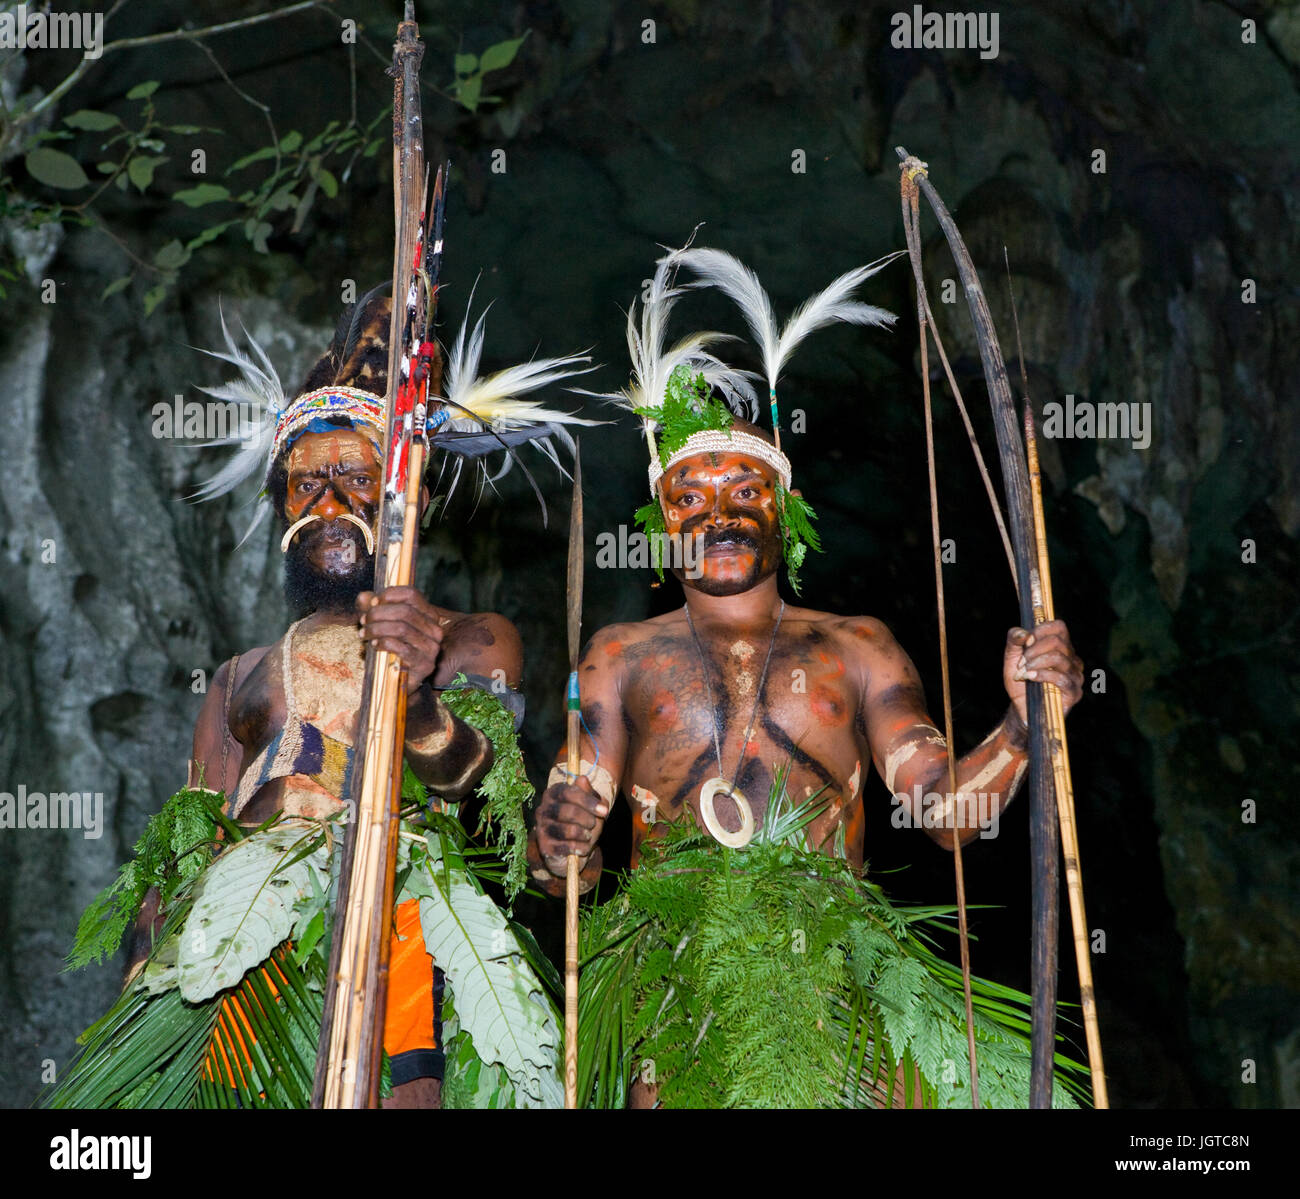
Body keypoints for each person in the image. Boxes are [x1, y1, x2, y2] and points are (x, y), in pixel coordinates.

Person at [528, 247, 1084, 1107]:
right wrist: (559, 843)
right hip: (680, 975)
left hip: (838, 965)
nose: (719, 511)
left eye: (746, 489)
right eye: (691, 495)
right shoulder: (619, 654)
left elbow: (945, 816)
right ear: (659, 520)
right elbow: (565, 866)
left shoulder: (857, 645)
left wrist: (1021, 723)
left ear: (784, 514)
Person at [125, 291, 590, 1107]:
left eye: (356, 477)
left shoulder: (469, 638)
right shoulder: (241, 675)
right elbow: (185, 842)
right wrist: (148, 980)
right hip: (243, 957)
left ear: (403, 500)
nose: (330, 501)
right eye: (307, 483)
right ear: (278, 506)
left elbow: (490, 808)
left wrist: (413, 700)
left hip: (401, 931)